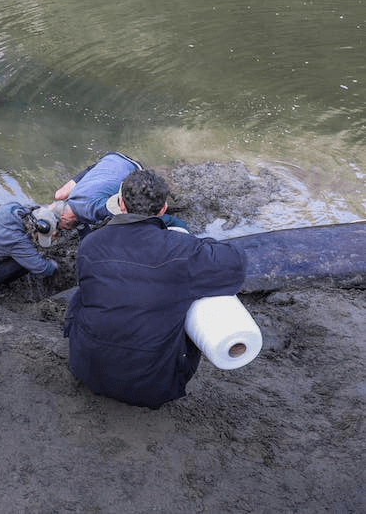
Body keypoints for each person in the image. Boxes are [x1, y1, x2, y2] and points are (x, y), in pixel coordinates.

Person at [63, 169, 246, 409]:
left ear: (120, 204)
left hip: (87, 369)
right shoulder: (182, 249)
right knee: (188, 297)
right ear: (163, 209)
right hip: (150, 387)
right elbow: (236, 263)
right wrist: (194, 240)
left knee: (84, 293)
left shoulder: (90, 243)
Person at [52, 151, 187, 234]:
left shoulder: (94, 211)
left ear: (64, 218)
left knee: (140, 208)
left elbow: (127, 212)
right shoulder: (68, 199)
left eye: (62, 228)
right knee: (59, 194)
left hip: (134, 168)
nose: (64, 230)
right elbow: (81, 226)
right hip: (111, 158)